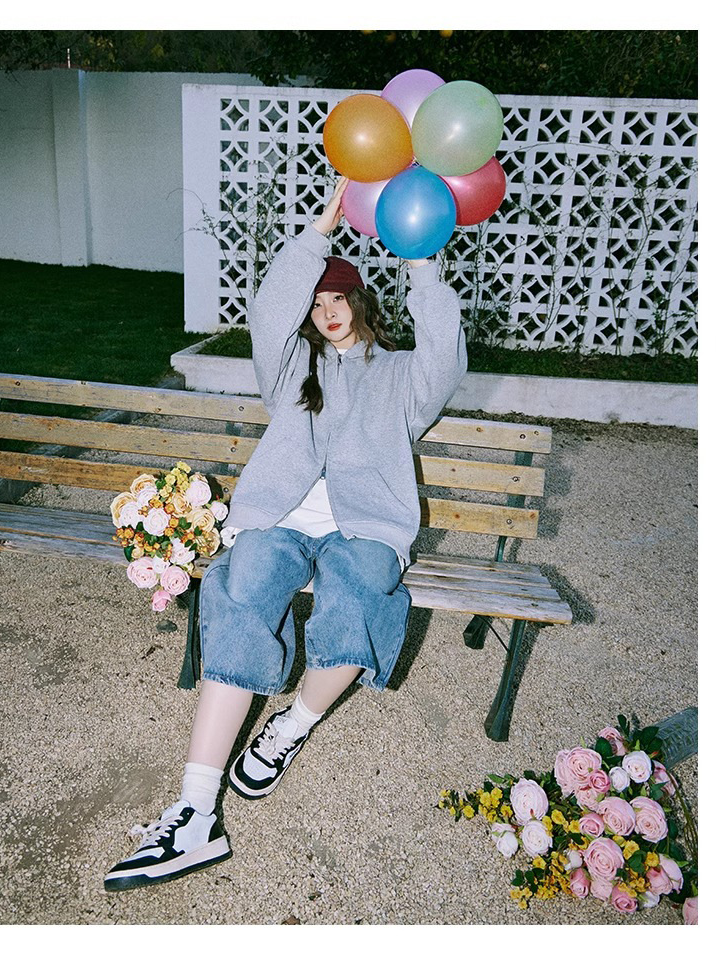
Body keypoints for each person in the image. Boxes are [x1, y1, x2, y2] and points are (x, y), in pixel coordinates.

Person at [104, 176, 467, 891]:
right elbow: (268, 309)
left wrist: (422, 261)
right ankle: (195, 811)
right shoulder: (294, 369)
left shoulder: (403, 378)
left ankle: (292, 724)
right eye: (318, 302)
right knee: (240, 589)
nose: (327, 311)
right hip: (279, 521)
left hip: (366, 528)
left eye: (339, 298)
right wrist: (315, 237)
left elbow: (445, 349)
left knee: (358, 600)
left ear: (361, 302)